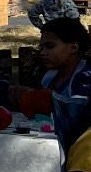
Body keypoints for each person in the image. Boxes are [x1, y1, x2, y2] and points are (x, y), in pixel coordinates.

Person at [36, 17, 91, 149]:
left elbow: (76, 113)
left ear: (73, 47)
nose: (42, 53)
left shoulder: (85, 79)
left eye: (50, 46)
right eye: (41, 47)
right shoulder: (49, 77)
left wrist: (48, 98)